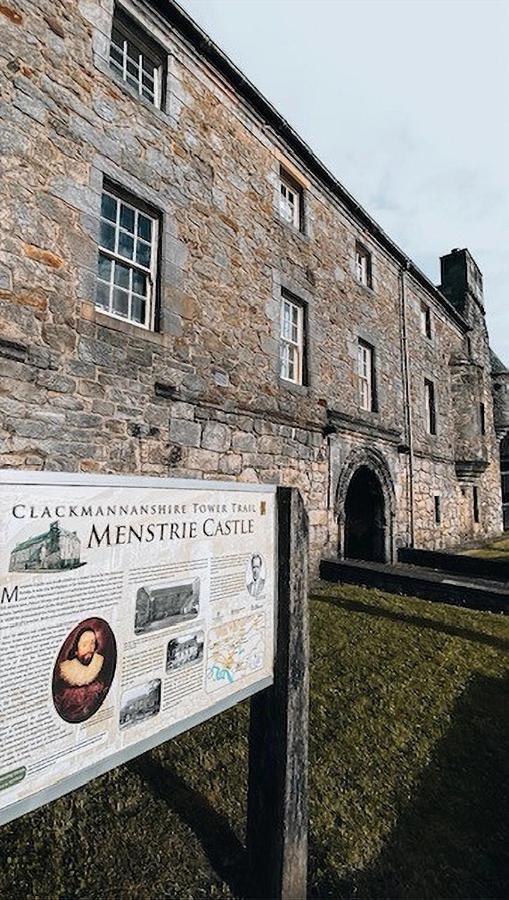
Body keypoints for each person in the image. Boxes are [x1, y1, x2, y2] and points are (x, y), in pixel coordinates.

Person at [54, 627, 109, 723]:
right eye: (84, 644)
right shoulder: (66, 672)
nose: (90, 648)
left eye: (93, 643)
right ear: (76, 650)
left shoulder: (100, 664)